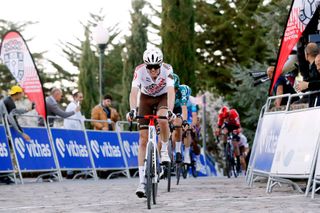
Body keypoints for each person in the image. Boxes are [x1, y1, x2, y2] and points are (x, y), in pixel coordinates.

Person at [126, 47, 175, 198]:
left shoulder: (167, 69)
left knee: (162, 118)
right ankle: (141, 182)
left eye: (156, 67)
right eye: (150, 67)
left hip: (162, 97)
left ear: (160, 64)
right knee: (142, 139)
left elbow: (171, 91)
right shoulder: (139, 71)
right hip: (146, 99)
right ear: (145, 66)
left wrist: (170, 111)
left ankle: (165, 149)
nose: (153, 70)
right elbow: (134, 92)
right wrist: (133, 110)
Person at [171, 73, 193, 164]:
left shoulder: (183, 90)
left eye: (176, 88)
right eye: (173, 89)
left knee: (180, 125)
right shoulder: (164, 91)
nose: (174, 91)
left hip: (179, 107)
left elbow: (184, 108)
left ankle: (181, 151)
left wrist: (184, 121)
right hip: (169, 107)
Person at [215, 106, 241, 173]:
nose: (226, 119)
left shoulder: (234, 113)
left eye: (227, 117)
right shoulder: (221, 116)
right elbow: (219, 127)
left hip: (235, 125)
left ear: (229, 114)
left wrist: (236, 132)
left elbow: (239, 127)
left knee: (235, 143)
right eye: (225, 118)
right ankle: (225, 148)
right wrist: (217, 135)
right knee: (224, 132)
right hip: (227, 126)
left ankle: (238, 161)